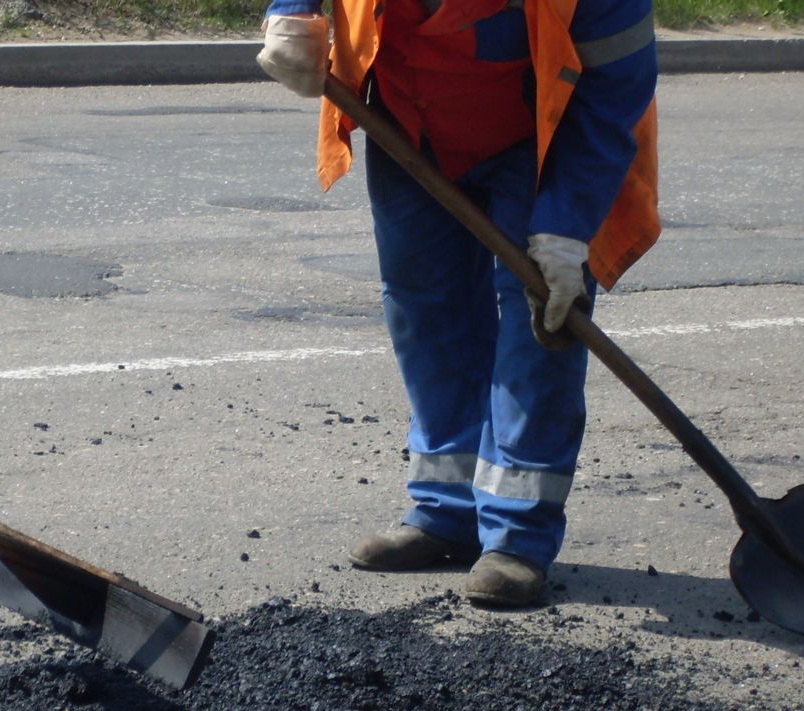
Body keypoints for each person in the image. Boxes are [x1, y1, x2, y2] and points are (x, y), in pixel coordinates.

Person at [257, 0, 660, 606]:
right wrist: (291, 11)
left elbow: (615, 89)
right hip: (406, 117)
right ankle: (446, 512)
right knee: (426, 310)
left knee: (539, 320)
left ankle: (517, 537)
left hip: (540, 139)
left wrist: (565, 228)